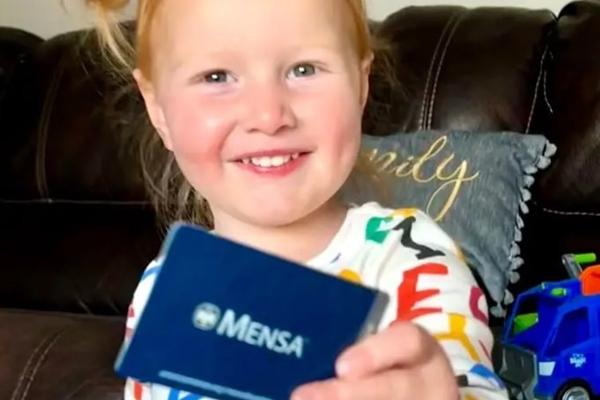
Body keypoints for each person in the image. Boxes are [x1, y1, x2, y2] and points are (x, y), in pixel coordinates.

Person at [86, 0, 509, 399]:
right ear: (158, 110)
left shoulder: (412, 256)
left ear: (360, 85)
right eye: (216, 77)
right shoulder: (163, 284)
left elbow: (466, 382)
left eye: (304, 69)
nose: (269, 116)